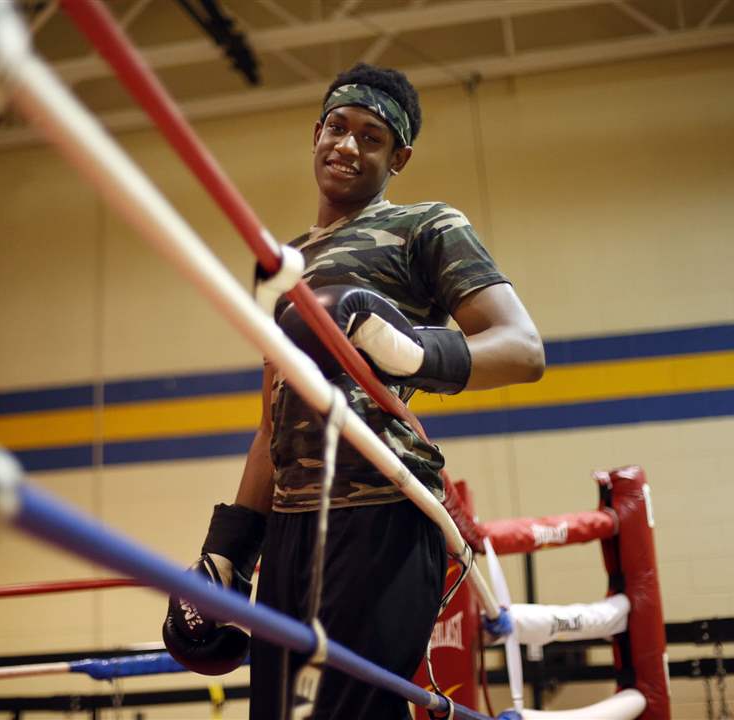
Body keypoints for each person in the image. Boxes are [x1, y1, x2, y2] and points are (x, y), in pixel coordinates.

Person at [164, 63, 545, 719]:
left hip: (381, 515)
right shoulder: (283, 264)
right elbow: (272, 425)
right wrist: (228, 551)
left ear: (399, 157)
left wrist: (411, 352)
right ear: (315, 132)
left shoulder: (426, 227)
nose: (347, 145)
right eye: (337, 128)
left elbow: (523, 349)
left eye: (371, 137)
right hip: (291, 530)